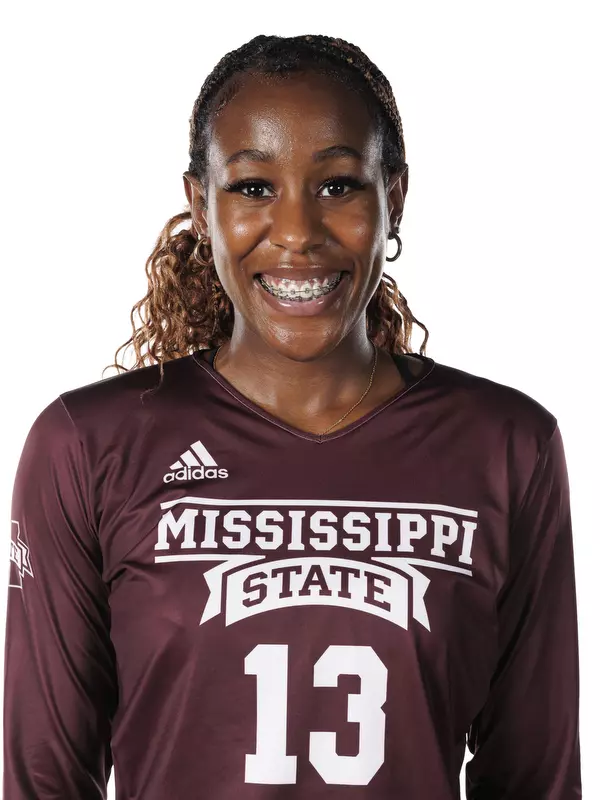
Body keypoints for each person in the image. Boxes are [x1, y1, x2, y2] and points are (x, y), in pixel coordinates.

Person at [3, 33, 582, 799]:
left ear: (394, 197)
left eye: (339, 185)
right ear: (200, 205)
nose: (299, 232)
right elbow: (44, 780)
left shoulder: (508, 446)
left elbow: (536, 779)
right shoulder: (87, 445)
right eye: (252, 188)